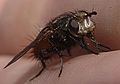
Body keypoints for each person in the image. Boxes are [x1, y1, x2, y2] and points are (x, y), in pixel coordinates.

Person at [0, 0, 120, 84]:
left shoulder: (71, 27)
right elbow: (44, 45)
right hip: (42, 50)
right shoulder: (58, 30)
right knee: (53, 41)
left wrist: (94, 45)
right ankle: (44, 68)